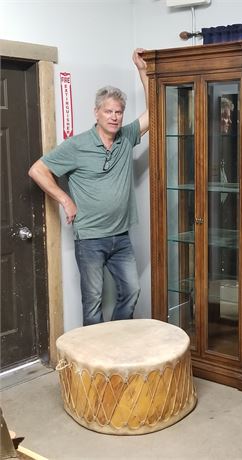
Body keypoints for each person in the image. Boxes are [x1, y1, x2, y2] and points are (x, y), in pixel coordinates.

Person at [28, 48, 149, 326]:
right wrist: (64, 199)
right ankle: (92, 366)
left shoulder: (126, 136)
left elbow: (154, 110)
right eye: (108, 111)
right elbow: (37, 170)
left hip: (121, 237)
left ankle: (115, 345)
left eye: (119, 112)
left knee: (132, 291)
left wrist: (142, 70)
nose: (115, 117)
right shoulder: (77, 145)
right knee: (93, 302)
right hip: (91, 238)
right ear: (96, 113)